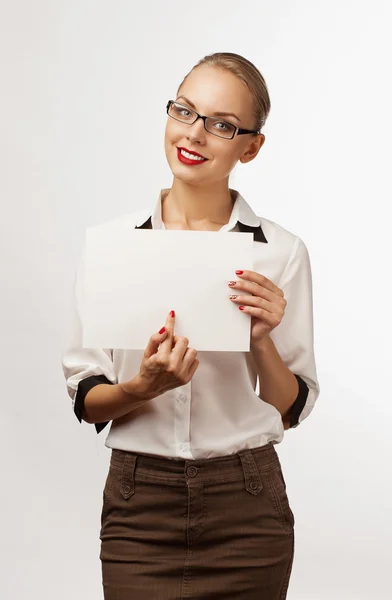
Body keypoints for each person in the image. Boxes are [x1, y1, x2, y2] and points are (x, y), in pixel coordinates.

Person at [61, 52, 320, 599]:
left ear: (250, 146)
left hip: (247, 502)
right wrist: (142, 388)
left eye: (221, 124)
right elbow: (87, 401)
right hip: (141, 504)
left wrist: (261, 340)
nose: (195, 134)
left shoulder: (281, 253)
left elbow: (287, 408)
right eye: (184, 111)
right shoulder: (113, 247)